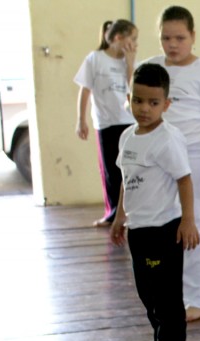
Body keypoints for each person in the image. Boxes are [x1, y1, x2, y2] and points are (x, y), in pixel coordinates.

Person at [144, 6, 200, 322]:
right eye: (166, 38)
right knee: (161, 222)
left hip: (193, 156)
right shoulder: (151, 67)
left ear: (193, 37)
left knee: (193, 221)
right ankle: (173, 292)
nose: (173, 44)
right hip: (156, 158)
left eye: (180, 37)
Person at [109, 63, 199, 341]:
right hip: (139, 228)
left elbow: (185, 180)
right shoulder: (127, 137)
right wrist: (120, 216)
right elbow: (126, 178)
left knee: (166, 293)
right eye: (138, 100)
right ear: (128, 98)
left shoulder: (167, 139)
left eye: (153, 103)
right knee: (147, 291)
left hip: (164, 230)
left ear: (166, 104)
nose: (144, 109)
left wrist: (188, 220)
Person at [74, 19, 138, 228]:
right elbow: (85, 90)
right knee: (110, 170)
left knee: (129, 169)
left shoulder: (128, 62)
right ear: (118, 38)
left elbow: (133, 89)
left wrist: (130, 62)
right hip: (106, 123)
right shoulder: (95, 59)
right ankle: (112, 214)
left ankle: (131, 213)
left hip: (128, 120)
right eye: (133, 38)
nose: (135, 43)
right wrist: (80, 120)